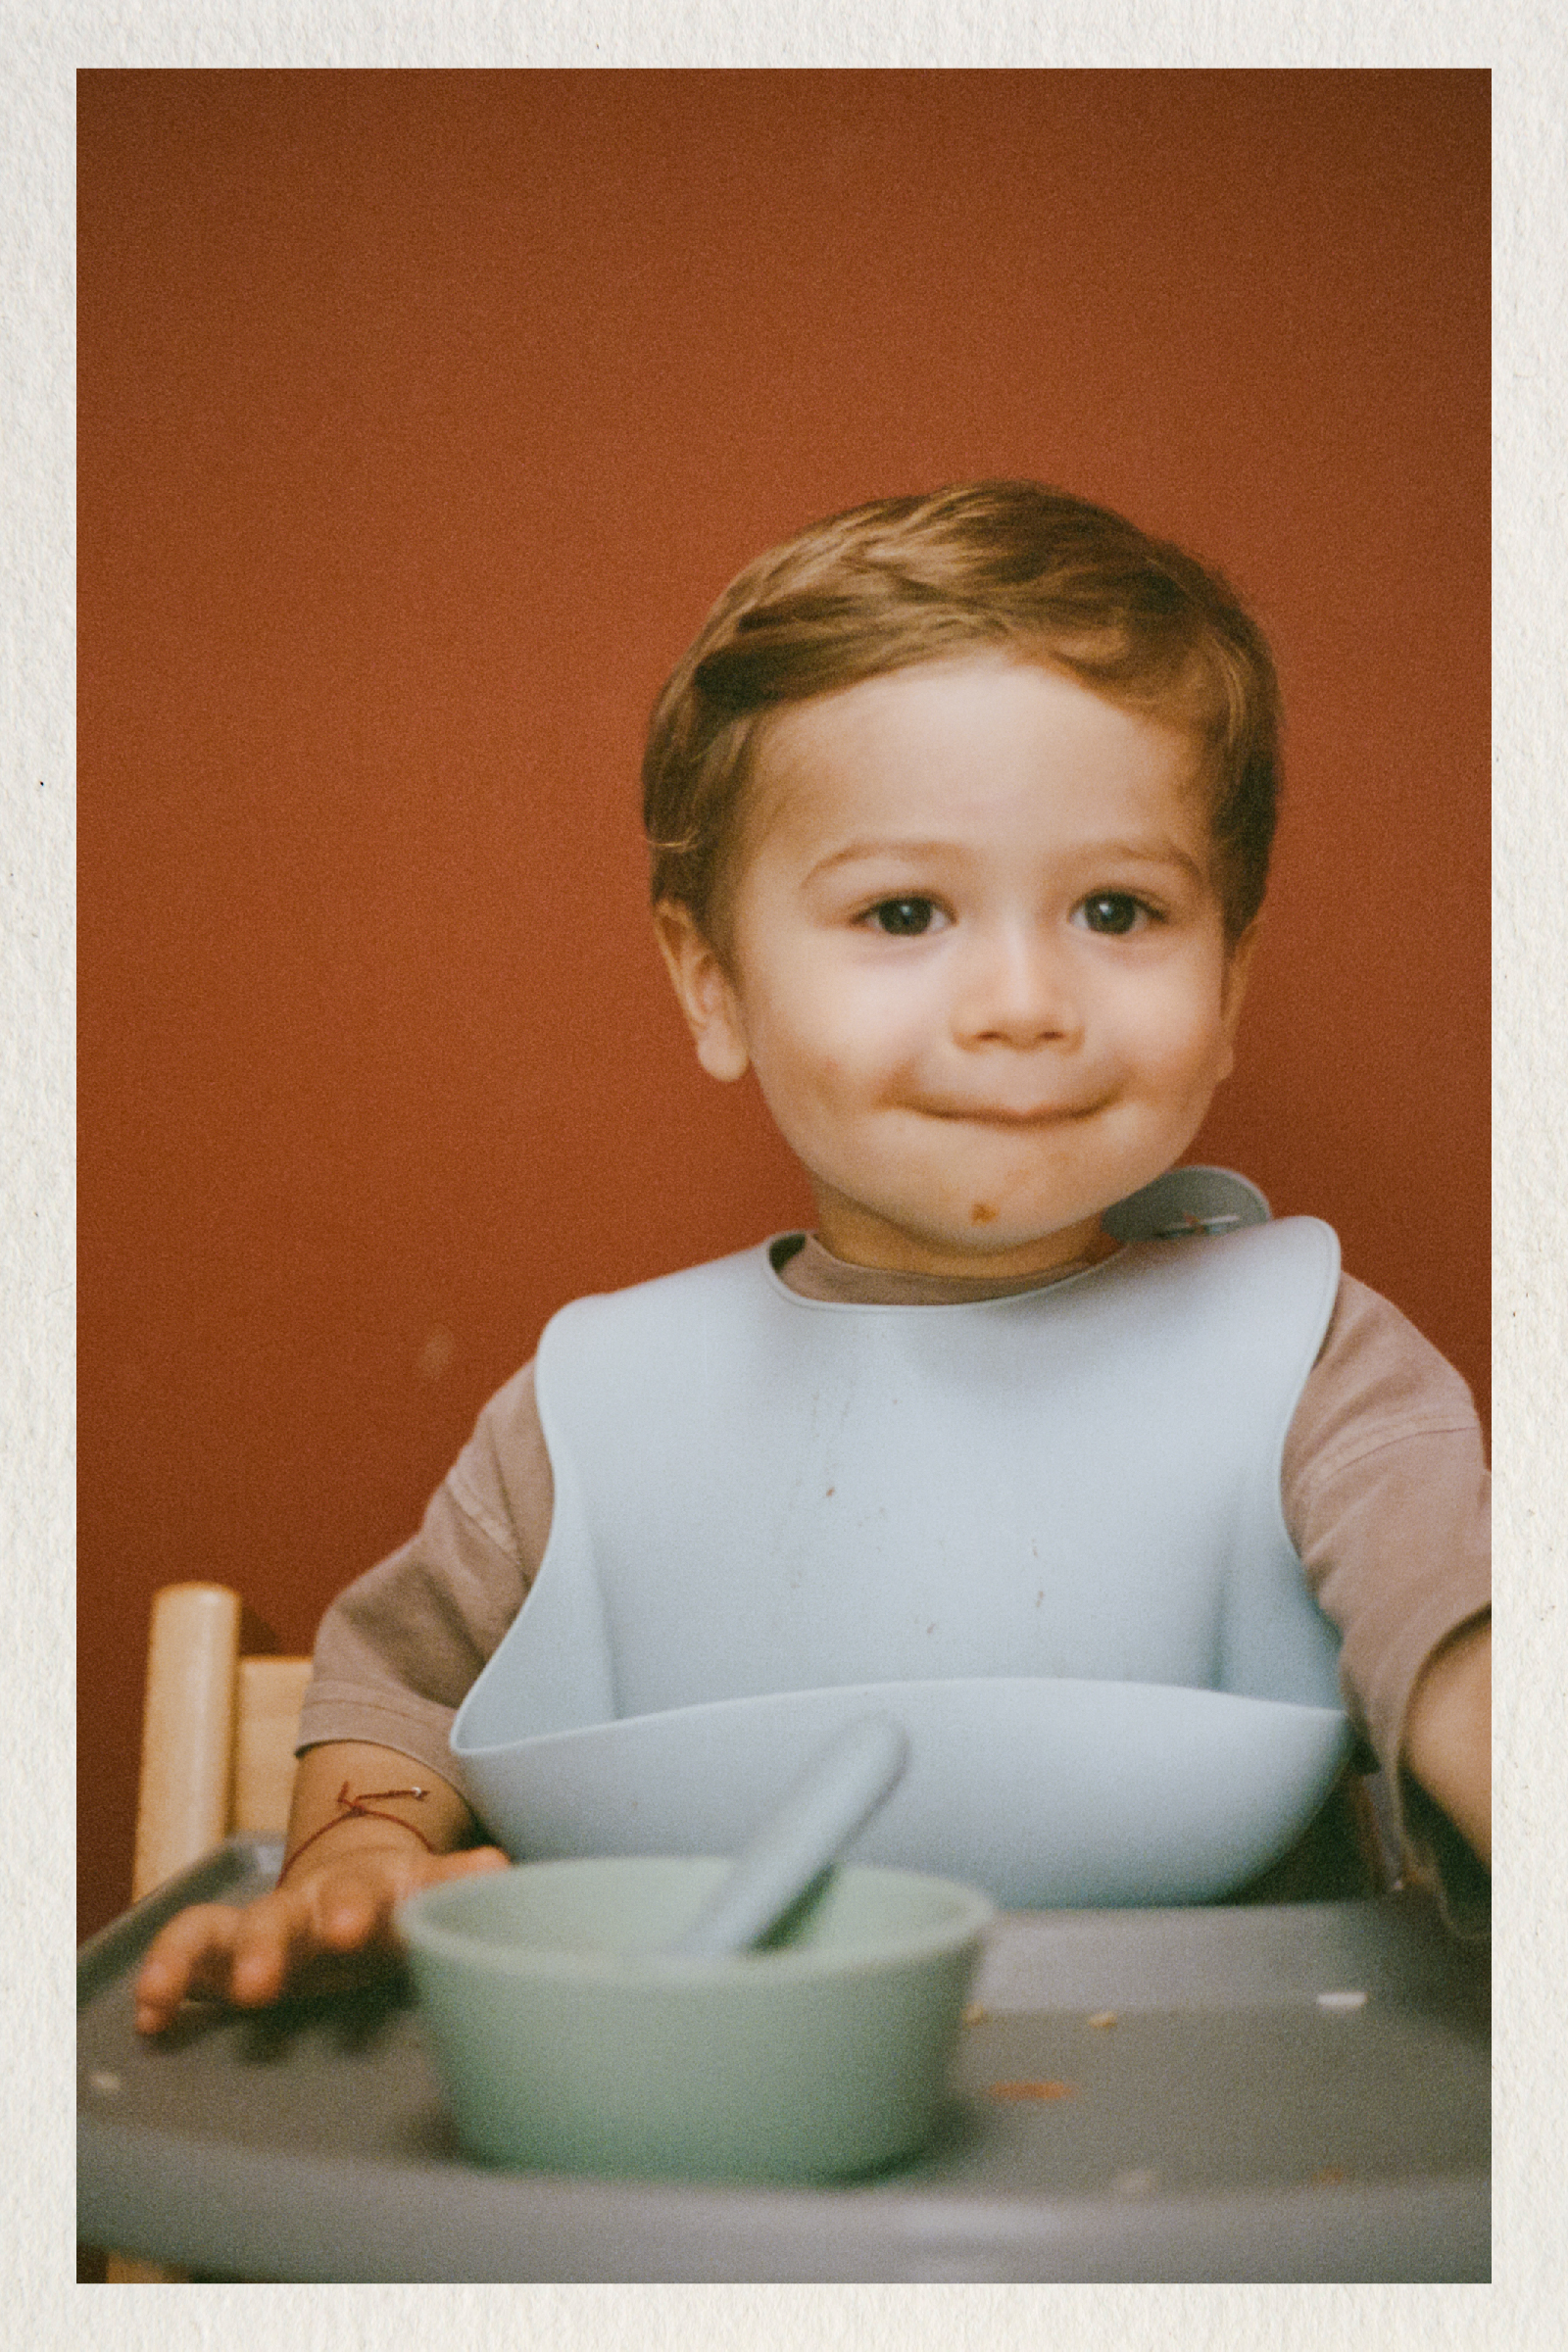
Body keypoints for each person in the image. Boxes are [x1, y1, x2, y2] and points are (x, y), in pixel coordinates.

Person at [134, 482, 1490, 2034]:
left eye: (1118, 910)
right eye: (905, 911)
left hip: (1220, 2130)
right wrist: (360, 1855)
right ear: (713, 984)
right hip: (689, 2129)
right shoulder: (602, 1406)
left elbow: (1466, 1654)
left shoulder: (1311, 1365)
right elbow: (405, 1693)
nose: (1023, 1003)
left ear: (1231, 986)